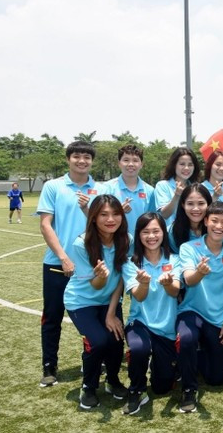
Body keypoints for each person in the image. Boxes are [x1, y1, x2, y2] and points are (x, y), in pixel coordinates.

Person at [37, 141, 103, 387]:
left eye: (87, 157)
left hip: (90, 265)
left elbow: (103, 223)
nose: (82, 161)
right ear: (68, 159)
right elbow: (45, 224)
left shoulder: (100, 188)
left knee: (92, 315)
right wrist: (64, 257)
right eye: (77, 156)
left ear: (92, 161)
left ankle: (94, 359)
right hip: (57, 264)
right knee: (52, 316)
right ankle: (49, 366)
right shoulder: (53, 186)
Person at [63, 195, 129, 409]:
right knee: (98, 341)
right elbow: (96, 285)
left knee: (116, 338)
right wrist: (101, 275)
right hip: (81, 301)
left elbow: (121, 279)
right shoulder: (82, 244)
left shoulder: (126, 240)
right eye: (104, 214)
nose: (111, 219)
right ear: (93, 217)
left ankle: (112, 380)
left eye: (116, 214)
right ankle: (88, 387)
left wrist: (111, 313)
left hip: (109, 300)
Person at [176, 201, 223, 413]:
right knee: (186, 338)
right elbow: (188, 279)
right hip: (191, 311)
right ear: (205, 221)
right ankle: (188, 389)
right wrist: (200, 272)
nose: (219, 226)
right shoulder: (189, 248)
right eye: (214, 221)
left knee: (216, 379)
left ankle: (196, 355)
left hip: (219, 317)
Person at [122, 212, 182, 415]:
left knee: (162, 387)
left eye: (156, 231)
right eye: (145, 232)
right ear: (138, 235)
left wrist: (168, 284)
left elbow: (175, 291)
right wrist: (144, 283)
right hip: (140, 322)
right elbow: (139, 297)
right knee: (138, 349)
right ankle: (136, 390)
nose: (151, 236)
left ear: (163, 233)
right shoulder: (130, 263)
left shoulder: (175, 259)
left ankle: (162, 365)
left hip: (166, 328)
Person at [104, 144, 155, 230]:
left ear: (141, 164)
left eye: (135, 160)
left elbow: (152, 218)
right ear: (119, 163)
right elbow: (100, 216)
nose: (131, 164)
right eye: (126, 160)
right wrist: (118, 212)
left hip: (140, 237)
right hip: (115, 237)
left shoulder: (150, 190)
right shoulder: (107, 188)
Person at [154, 148, 199, 227]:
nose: (186, 168)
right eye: (182, 164)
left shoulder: (196, 188)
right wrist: (177, 196)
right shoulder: (163, 185)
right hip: (170, 233)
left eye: (190, 164)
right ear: (174, 165)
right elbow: (164, 214)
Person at [168, 183, 211, 253]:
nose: (196, 209)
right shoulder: (171, 232)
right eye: (190, 204)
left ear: (208, 204)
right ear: (183, 205)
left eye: (201, 203)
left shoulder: (215, 228)